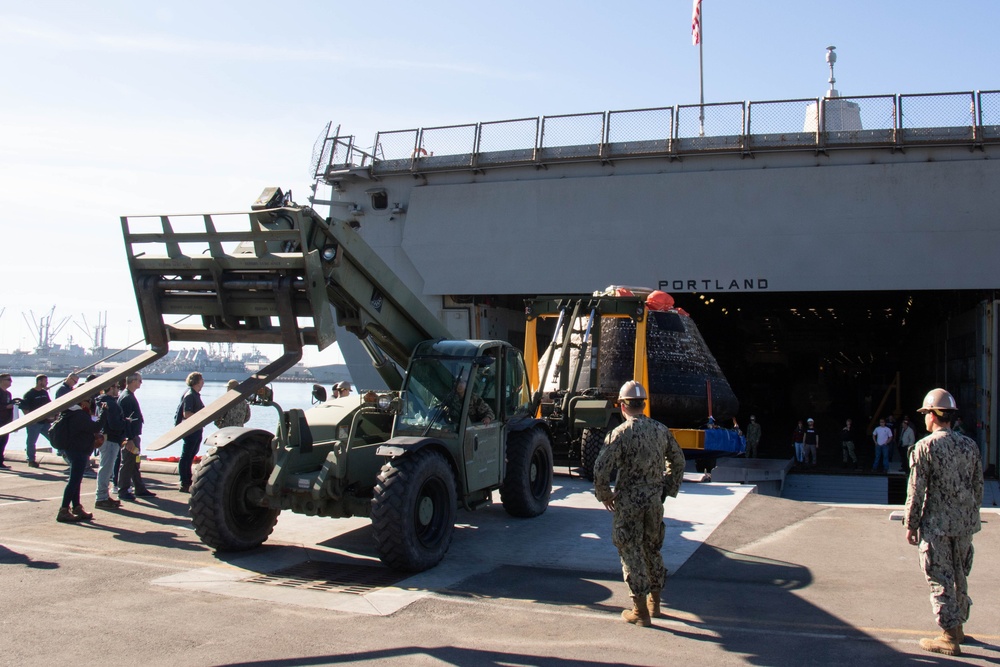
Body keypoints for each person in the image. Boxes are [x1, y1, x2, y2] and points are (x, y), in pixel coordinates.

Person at [593, 380, 685, 627]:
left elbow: (600, 468)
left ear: (622, 405)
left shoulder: (621, 433)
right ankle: (656, 604)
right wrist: (667, 488)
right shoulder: (660, 430)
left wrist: (605, 495)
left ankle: (640, 610)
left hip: (629, 503)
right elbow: (678, 462)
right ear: (643, 404)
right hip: (654, 501)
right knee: (652, 548)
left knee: (630, 550)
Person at [904, 388, 983, 656]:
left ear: (934, 415)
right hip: (964, 525)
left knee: (939, 576)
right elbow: (978, 486)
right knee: (960, 573)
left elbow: (916, 490)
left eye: (925, 413)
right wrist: (970, 515)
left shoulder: (924, 447)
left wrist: (911, 524)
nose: (924, 419)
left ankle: (949, 635)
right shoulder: (969, 445)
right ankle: (958, 626)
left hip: (936, 524)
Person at [56, 396, 101, 523]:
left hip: (74, 449)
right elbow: (95, 427)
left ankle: (76, 507)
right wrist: (104, 414)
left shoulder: (70, 413)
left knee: (76, 480)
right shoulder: (78, 415)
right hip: (78, 450)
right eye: (88, 400)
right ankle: (64, 510)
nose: (89, 403)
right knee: (74, 481)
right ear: (82, 402)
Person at [117, 373, 153, 500]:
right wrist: (129, 439)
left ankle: (139, 487)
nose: (141, 383)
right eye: (139, 380)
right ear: (132, 381)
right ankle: (123, 490)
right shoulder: (126, 398)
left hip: (134, 436)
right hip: (131, 438)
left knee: (135, 463)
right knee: (127, 463)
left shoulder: (129, 396)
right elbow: (125, 421)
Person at [94, 383, 127, 509]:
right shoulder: (111, 404)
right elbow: (114, 424)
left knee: (105, 468)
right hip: (111, 439)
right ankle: (101, 497)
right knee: (106, 469)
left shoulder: (101, 401)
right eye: (117, 387)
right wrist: (124, 423)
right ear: (111, 388)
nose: (118, 390)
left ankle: (103, 495)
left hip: (105, 437)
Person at [175, 372, 205, 493]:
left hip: (196, 429)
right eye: (202, 380)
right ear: (197, 381)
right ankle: (184, 482)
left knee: (190, 455)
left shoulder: (195, 395)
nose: (203, 382)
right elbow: (186, 414)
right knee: (186, 456)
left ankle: (187, 480)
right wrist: (201, 417)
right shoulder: (190, 395)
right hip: (190, 430)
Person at [21, 374, 52, 468]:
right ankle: (31, 460)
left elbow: (49, 404)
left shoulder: (44, 393)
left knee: (53, 437)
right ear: (39, 382)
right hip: (34, 423)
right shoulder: (29, 394)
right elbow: (24, 408)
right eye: (45, 381)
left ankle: (65, 455)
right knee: (31, 441)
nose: (47, 383)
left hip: (45, 421)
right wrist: (30, 419)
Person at [0, 373, 16, 469]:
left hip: (6, 422)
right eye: (8, 379)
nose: (10, 382)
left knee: (3, 442)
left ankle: (0, 461)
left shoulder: (8, 394)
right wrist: (6, 407)